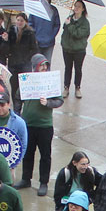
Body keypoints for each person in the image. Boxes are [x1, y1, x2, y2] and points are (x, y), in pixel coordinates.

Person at [18, 54, 64, 197]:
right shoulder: (27, 81)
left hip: (45, 125)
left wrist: (48, 103)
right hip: (28, 124)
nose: (44, 68)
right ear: (35, 66)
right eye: (41, 65)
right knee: (28, 153)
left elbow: (59, 101)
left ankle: (43, 182)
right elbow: (17, 97)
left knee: (45, 155)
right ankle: (26, 178)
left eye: (45, 65)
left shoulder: (51, 81)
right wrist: (17, 113)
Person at [6, 12, 38, 110]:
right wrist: (6, 40)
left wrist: (26, 59)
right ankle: (16, 108)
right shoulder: (11, 30)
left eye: (22, 21)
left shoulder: (30, 33)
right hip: (13, 64)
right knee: (14, 87)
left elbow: (34, 49)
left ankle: (23, 106)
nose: (19, 22)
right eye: (18, 20)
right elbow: (7, 47)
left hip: (24, 65)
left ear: (26, 22)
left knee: (23, 88)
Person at [60, 0, 90, 99]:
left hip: (79, 50)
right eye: (75, 6)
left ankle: (77, 87)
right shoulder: (70, 18)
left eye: (79, 7)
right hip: (67, 49)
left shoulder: (85, 23)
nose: (76, 8)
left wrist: (69, 25)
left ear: (83, 9)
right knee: (67, 68)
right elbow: (65, 30)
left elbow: (78, 34)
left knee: (78, 69)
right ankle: (66, 87)